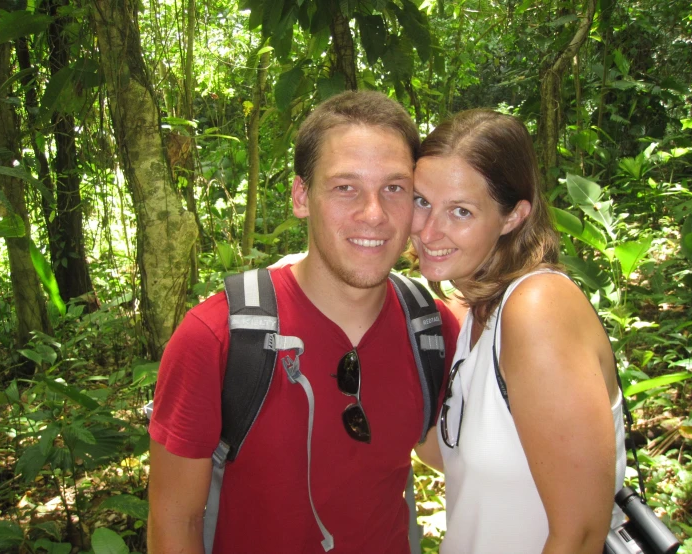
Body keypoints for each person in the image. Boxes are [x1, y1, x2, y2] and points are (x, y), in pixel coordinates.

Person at [147, 91, 459, 554]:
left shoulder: (431, 331)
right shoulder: (215, 338)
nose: (373, 213)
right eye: (345, 187)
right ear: (301, 197)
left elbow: (460, 459)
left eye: (394, 188)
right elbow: (175, 521)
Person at [411, 109, 627, 554]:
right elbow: (445, 452)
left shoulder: (537, 308)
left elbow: (581, 534)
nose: (429, 231)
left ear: (512, 217)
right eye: (420, 201)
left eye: (461, 211)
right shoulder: (474, 310)